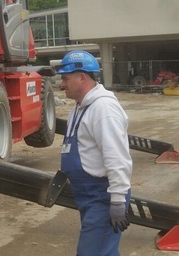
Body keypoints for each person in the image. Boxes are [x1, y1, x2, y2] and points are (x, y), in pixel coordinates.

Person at [55, 51, 132, 256]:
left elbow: (117, 157)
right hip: (87, 196)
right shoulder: (78, 109)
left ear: (82, 77)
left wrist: (117, 200)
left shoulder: (103, 109)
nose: (61, 84)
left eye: (65, 78)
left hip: (103, 196)